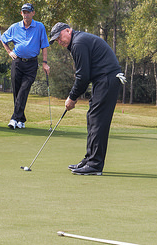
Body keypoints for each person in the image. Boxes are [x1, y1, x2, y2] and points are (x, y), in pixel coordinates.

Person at [49, 22, 123, 176]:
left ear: (68, 31)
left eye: (59, 37)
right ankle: (89, 159)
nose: (59, 41)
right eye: (56, 40)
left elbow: (83, 76)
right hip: (102, 80)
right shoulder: (77, 41)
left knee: (98, 121)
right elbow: (85, 75)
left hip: (108, 79)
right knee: (92, 117)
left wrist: (72, 97)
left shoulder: (78, 42)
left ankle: (95, 165)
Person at [1, 3, 50, 129]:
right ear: (21, 13)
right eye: (24, 12)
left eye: (28, 12)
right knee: (17, 92)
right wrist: (9, 52)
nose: (26, 14)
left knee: (23, 90)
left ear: (33, 13)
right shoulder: (15, 27)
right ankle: (21, 119)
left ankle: (14, 118)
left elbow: (44, 45)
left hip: (32, 64)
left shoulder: (39, 27)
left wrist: (44, 63)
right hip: (17, 62)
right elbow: (3, 39)